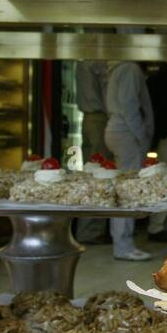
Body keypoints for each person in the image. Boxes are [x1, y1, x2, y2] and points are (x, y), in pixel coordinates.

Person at [104, 60, 154, 261]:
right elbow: (129, 105)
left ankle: (122, 243)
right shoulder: (129, 68)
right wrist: (141, 135)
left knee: (124, 187)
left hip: (118, 130)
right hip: (126, 133)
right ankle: (123, 245)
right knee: (127, 190)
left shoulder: (116, 69)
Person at [74, 61, 109, 244]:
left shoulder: (82, 62)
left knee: (91, 172)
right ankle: (91, 231)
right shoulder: (98, 61)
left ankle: (88, 229)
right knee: (99, 174)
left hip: (88, 119)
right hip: (98, 118)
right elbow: (106, 91)